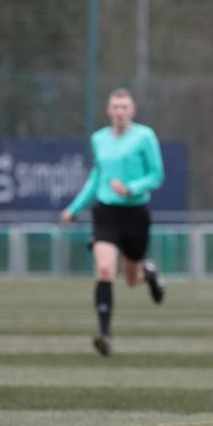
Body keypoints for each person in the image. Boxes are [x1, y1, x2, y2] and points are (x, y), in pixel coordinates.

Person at [61, 88, 166, 356]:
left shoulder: (145, 136)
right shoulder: (100, 139)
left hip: (135, 213)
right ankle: (104, 335)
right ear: (109, 111)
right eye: (115, 107)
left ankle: (149, 274)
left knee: (132, 278)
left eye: (124, 107)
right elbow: (97, 177)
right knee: (105, 269)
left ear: (133, 111)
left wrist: (131, 187)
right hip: (106, 212)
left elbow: (156, 175)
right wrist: (74, 209)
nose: (120, 112)